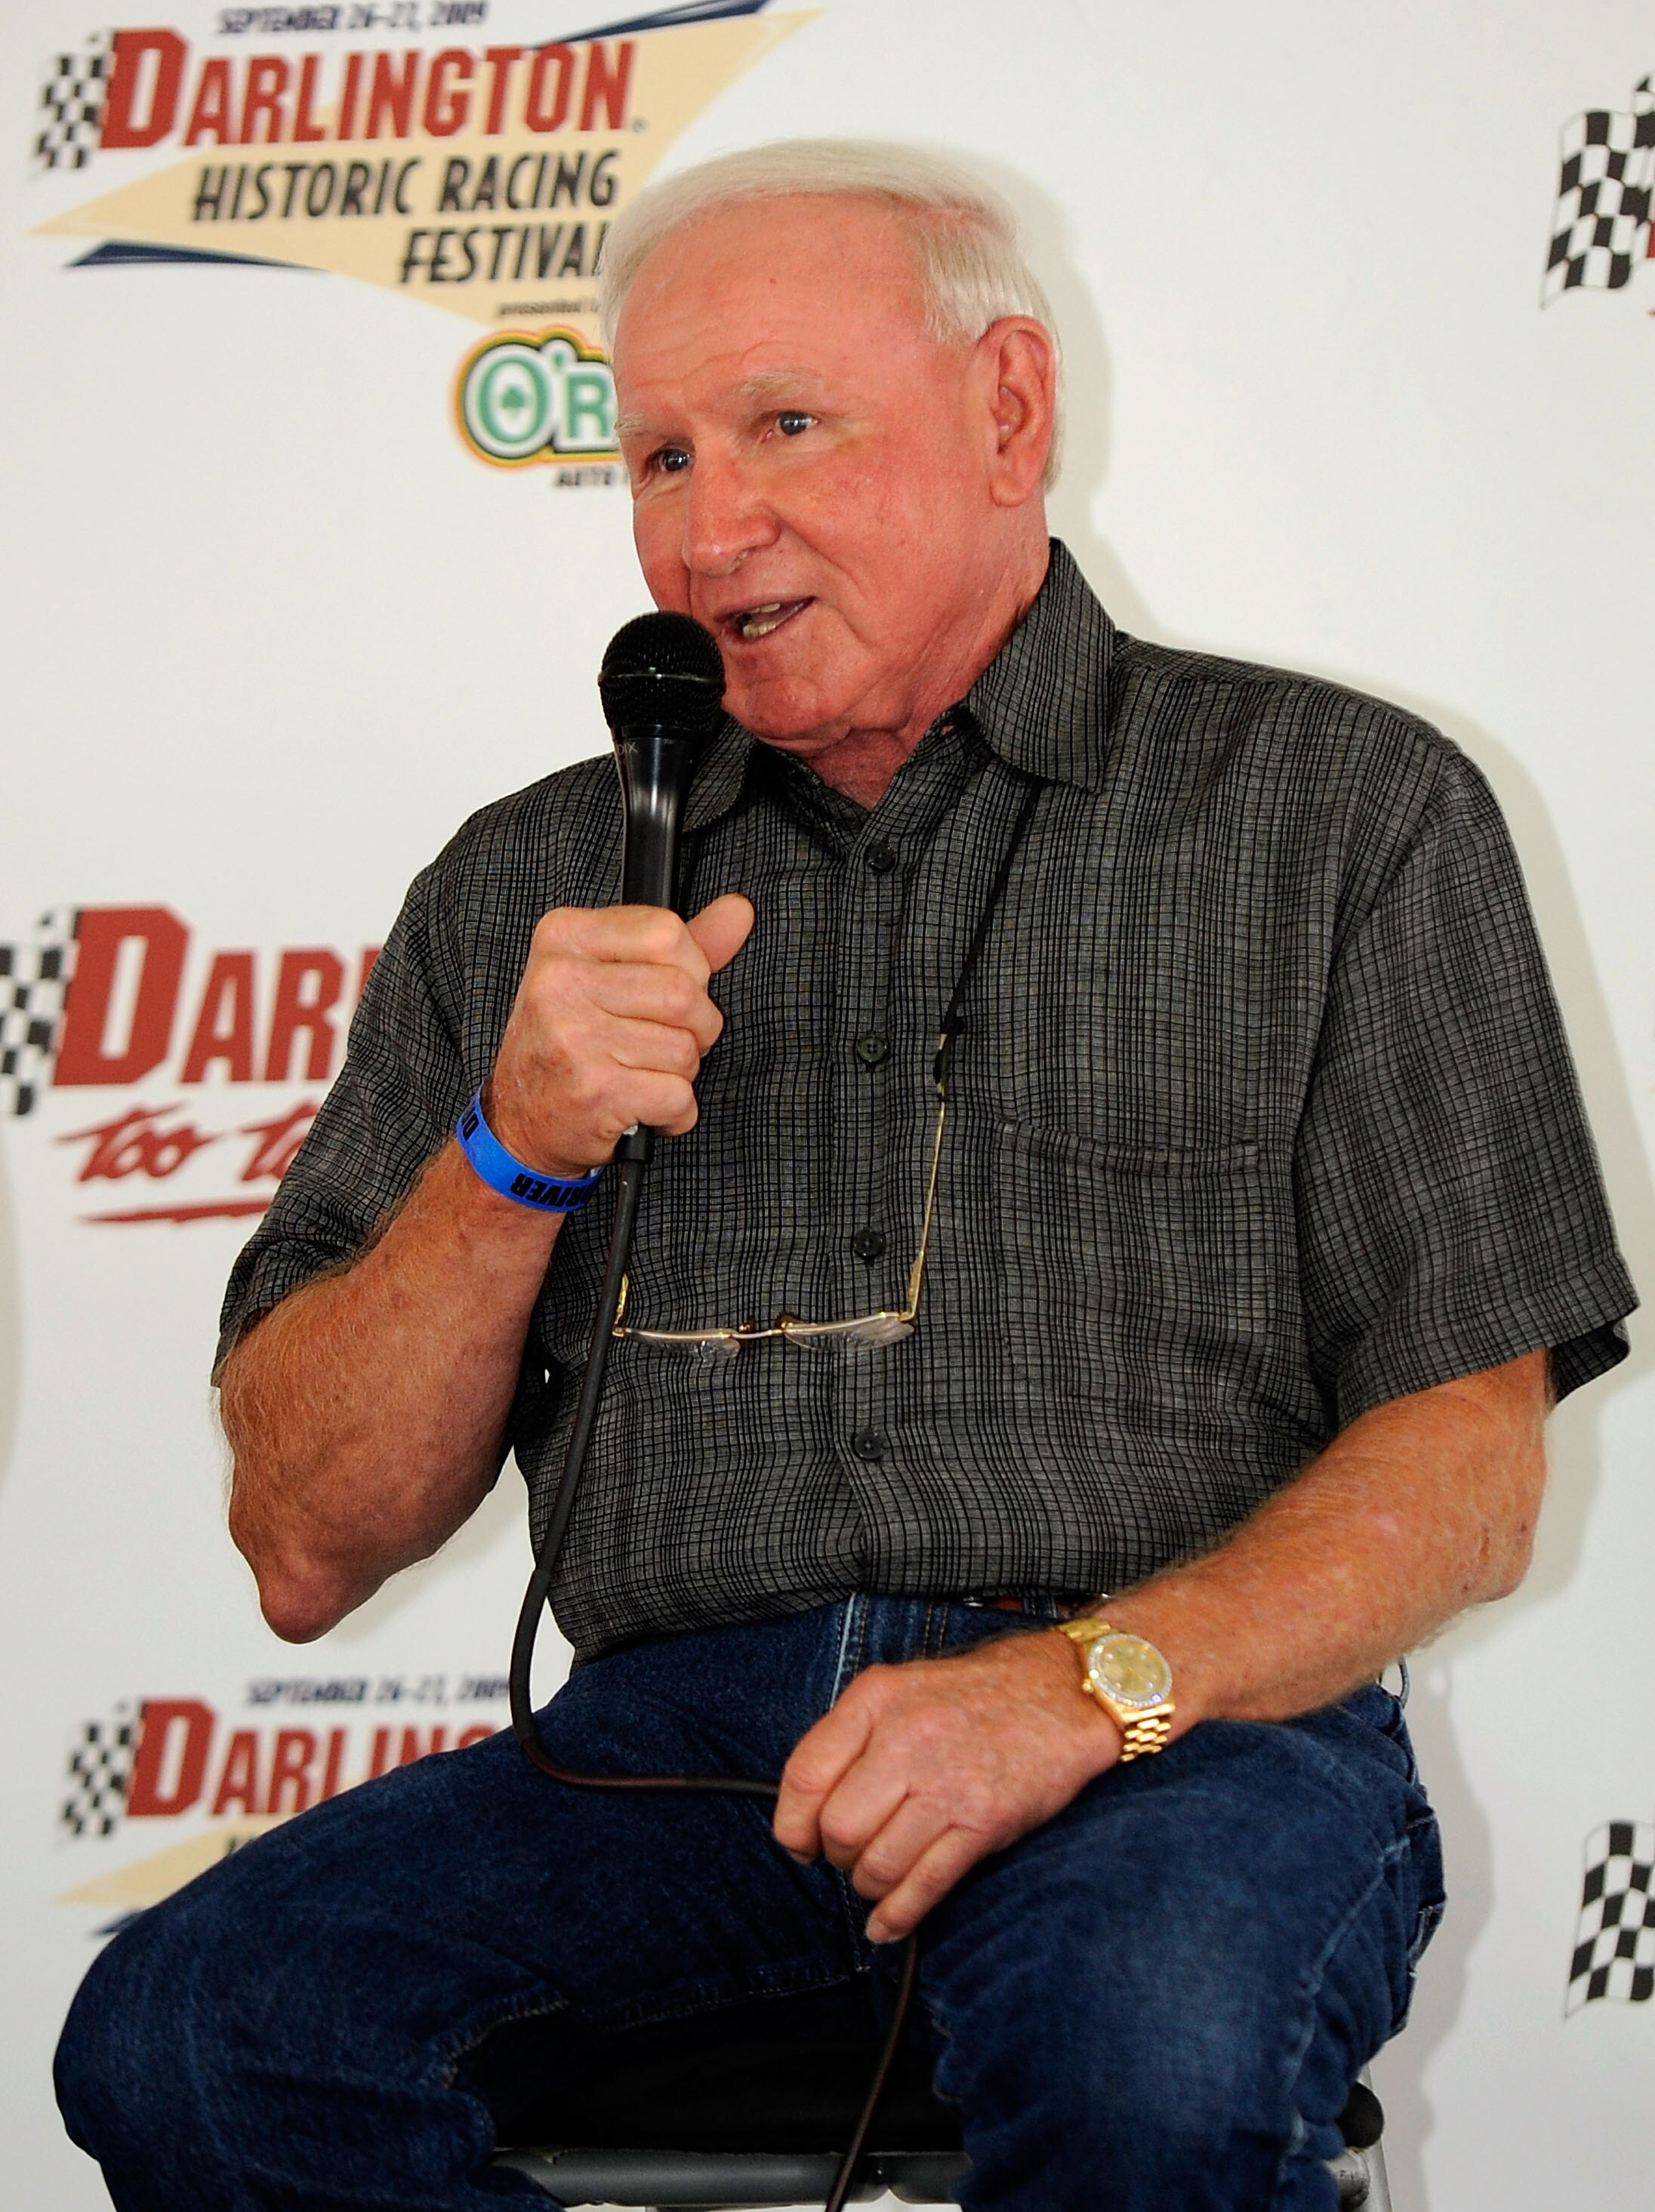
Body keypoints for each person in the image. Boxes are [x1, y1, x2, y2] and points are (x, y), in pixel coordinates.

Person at [57, 140, 1635, 2211]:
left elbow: (1470, 1466)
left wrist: (1072, 1698)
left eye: (787, 427)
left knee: (1144, 2052)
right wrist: (508, 1156)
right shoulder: (522, 888)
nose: (710, 530)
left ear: (1009, 409)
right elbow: (305, 1540)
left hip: (1170, 1725)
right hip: (674, 1754)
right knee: (197, 2029)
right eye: (658, 461)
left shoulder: (1342, 814)